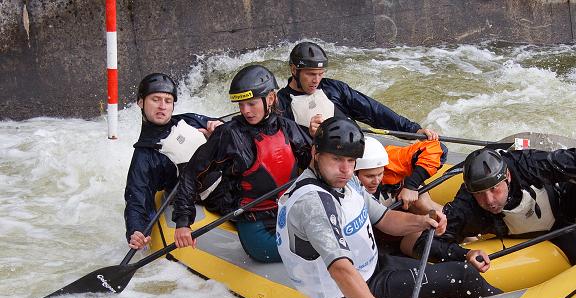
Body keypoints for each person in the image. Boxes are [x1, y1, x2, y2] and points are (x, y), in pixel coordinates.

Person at [276, 118, 500, 298]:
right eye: (336, 159)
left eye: (351, 161)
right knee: (462, 275)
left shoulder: (347, 180)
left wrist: (423, 221)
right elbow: (341, 270)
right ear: (315, 153)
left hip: (376, 267)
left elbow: (384, 219)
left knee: (442, 277)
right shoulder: (314, 205)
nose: (345, 169)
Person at [172, 65, 312, 262]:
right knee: (317, 248)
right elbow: (191, 175)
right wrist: (183, 222)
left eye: (252, 104)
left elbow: (317, 164)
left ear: (270, 98)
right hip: (256, 225)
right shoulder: (229, 135)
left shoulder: (287, 127)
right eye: (241, 105)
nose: (246, 111)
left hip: (289, 214)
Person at [422, 146, 576, 272]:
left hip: (562, 202)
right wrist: (465, 253)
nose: (489, 200)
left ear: (506, 177)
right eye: (480, 193)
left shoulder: (529, 164)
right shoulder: (467, 206)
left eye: (495, 189)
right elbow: (427, 242)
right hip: (548, 231)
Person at [124, 73, 221, 250]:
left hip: (238, 178)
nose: (162, 106)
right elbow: (137, 199)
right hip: (214, 198)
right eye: (155, 99)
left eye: (168, 101)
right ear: (140, 102)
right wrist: (136, 230)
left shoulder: (189, 120)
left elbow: (230, 129)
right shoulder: (145, 156)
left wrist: (217, 130)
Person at [276, 41, 439, 140]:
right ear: (293, 70)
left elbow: (373, 110)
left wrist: (412, 130)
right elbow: (291, 147)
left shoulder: (334, 88)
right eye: (310, 74)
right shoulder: (281, 104)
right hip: (326, 167)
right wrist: (311, 135)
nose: (316, 80)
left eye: (320, 74)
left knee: (438, 151)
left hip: (357, 153)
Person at [354, 136, 447, 256]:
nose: (376, 181)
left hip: (407, 204)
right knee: (408, 241)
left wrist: (411, 186)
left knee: (423, 204)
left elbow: (437, 148)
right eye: (369, 176)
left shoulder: (389, 158)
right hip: (384, 228)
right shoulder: (344, 182)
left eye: (380, 174)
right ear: (354, 172)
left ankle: (463, 233)